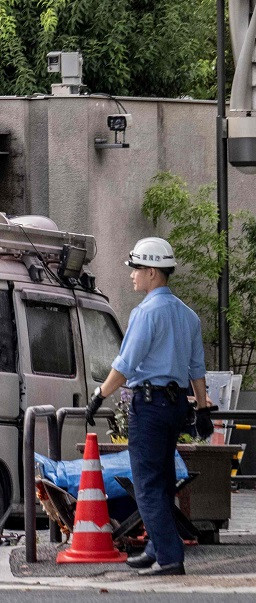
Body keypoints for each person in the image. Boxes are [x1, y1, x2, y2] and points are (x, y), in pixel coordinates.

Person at [85, 237, 210, 577]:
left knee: (147, 484)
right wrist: (202, 408)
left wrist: (99, 394)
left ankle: (170, 558)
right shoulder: (189, 316)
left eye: (137, 269)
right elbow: (197, 370)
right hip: (176, 407)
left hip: (151, 406)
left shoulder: (145, 313)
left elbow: (125, 366)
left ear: (153, 272)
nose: (132, 276)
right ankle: (156, 547)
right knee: (164, 481)